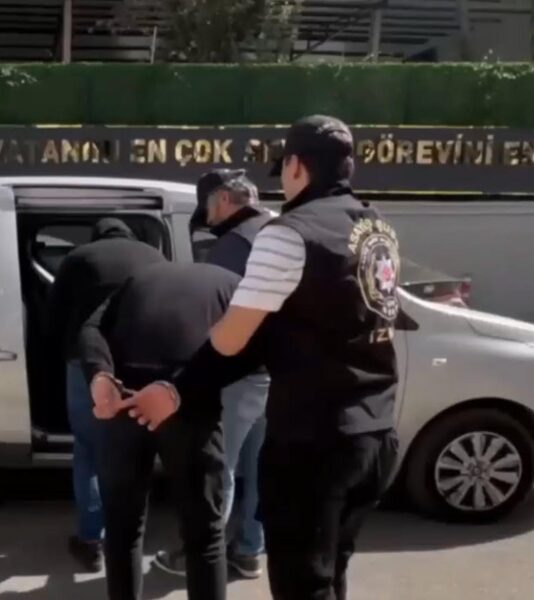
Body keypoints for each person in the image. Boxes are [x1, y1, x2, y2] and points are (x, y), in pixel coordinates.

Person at [123, 115, 402, 600]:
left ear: (296, 165)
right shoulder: (377, 227)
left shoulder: (289, 234)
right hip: (374, 435)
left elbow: (232, 339)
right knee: (331, 573)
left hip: (315, 443)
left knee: (301, 585)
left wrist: (174, 389)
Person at [81, 261, 255, 600]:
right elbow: (253, 349)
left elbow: (91, 327)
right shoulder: (239, 288)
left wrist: (99, 374)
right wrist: (179, 389)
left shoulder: (138, 276)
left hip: (126, 398)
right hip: (189, 408)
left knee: (123, 529)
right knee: (204, 536)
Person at [153, 169, 272, 580]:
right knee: (258, 467)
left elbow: (216, 310)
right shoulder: (277, 233)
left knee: (218, 468)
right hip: (276, 372)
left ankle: (198, 555)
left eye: (207, 205)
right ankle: (249, 550)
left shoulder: (234, 244)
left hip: (239, 373)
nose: (206, 215)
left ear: (222, 198)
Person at [47, 217, 166, 572]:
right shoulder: (154, 257)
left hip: (86, 365)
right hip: (140, 363)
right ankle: (129, 534)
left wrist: (61, 349)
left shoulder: (79, 258)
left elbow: (54, 314)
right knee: (135, 450)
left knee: (89, 449)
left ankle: (91, 541)